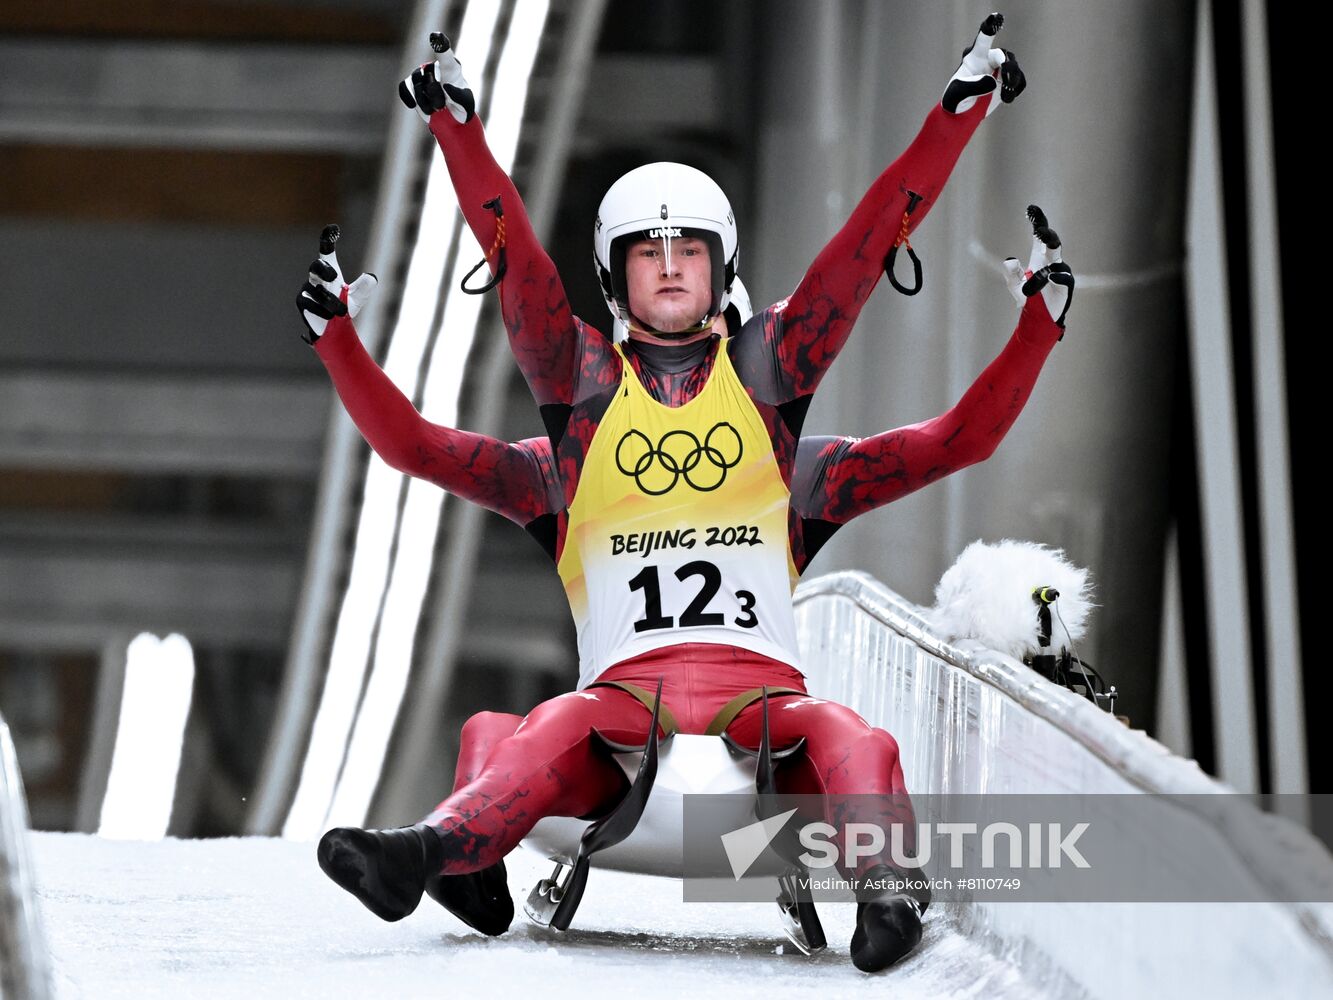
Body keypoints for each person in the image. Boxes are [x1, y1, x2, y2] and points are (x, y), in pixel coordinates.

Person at [309, 14, 1049, 972]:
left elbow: (895, 321)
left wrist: (965, 136)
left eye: (688, 251)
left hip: (762, 741)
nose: (667, 265)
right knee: (540, 724)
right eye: (647, 252)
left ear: (721, 268)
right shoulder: (566, 433)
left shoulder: (778, 405)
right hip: (616, 743)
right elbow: (443, 395)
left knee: (850, 731)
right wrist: (450, 140)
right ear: (617, 277)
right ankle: (429, 854)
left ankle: (888, 896)